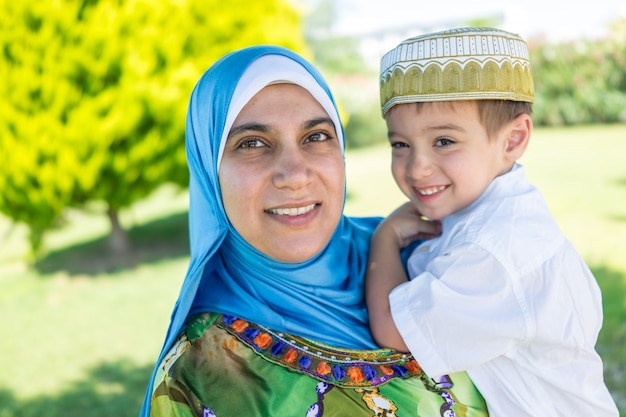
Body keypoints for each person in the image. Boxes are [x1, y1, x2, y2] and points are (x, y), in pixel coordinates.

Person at [140, 45, 489, 416]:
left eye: (316, 137)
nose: (295, 175)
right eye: (253, 143)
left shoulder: (431, 258)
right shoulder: (198, 379)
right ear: (211, 173)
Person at [366, 27, 619, 416]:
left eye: (444, 141)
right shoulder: (493, 215)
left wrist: (383, 239)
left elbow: (394, 330)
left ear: (512, 141)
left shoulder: (495, 251)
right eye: (400, 144)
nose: (416, 167)